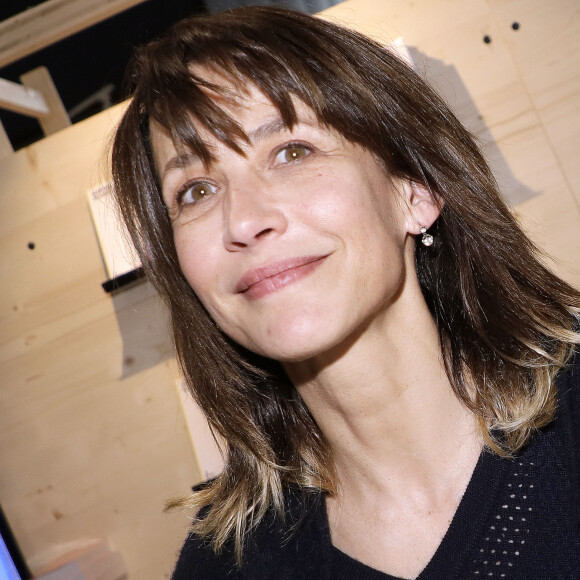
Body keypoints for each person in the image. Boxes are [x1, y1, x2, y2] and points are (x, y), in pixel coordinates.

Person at [110, 6, 580, 579]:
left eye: (291, 152)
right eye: (196, 190)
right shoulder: (225, 566)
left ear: (414, 190)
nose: (243, 220)